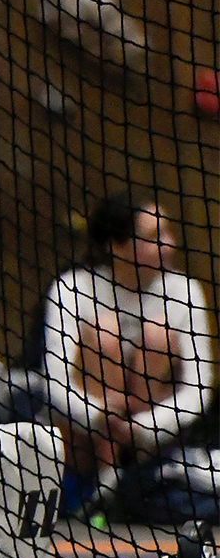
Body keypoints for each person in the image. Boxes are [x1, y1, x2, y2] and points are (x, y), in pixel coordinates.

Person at [38, 194, 215, 499]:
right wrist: (99, 414)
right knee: (105, 334)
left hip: (150, 439)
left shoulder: (184, 291)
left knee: (157, 336)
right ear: (116, 247)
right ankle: (105, 483)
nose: (169, 245)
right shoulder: (72, 288)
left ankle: (135, 485)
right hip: (84, 440)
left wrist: (144, 426)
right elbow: (54, 382)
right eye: (154, 237)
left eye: (167, 232)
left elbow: (199, 388)